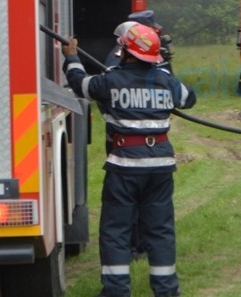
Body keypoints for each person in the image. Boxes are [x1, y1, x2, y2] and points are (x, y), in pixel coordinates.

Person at [63, 23, 196, 297]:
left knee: (116, 231)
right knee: (160, 230)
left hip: (124, 168)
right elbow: (189, 98)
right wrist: (162, 76)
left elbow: (79, 84)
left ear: (125, 52)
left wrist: (72, 56)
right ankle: (167, 291)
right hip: (160, 168)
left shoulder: (110, 80)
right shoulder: (165, 80)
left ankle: (116, 291)